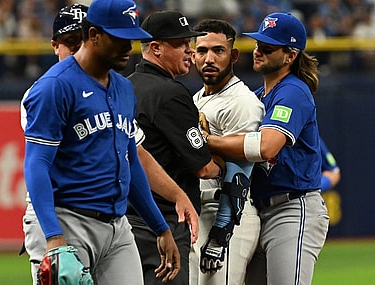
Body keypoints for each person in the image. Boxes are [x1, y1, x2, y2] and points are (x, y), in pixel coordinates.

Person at [20, 4, 199, 284]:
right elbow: (36, 164)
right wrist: (54, 237)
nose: (128, 46)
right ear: (94, 35)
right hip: (69, 220)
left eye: (130, 37)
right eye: (119, 38)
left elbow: (131, 161)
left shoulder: (123, 87)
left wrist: (160, 227)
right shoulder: (54, 87)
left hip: (117, 225)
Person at [201, 12, 330, 285]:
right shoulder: (258, 96)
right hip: (259, 209)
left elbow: (266, 146)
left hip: (292, 208)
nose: (258, 51)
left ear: (290, 55)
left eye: (268, 48)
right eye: (259, 44)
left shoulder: (293, 91)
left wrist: (208, 141)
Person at [126, 10, 222, 285]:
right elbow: (203, 167)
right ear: (155, 47)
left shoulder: (126, 87)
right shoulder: (170, 93)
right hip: (166, 219)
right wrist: (232, 164)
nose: (189, 51)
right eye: (180, 44)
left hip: (128, 219)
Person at [188, 19, 265, 285]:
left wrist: (222, 233)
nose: (209, 58)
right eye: (202, 50)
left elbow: (241, 171)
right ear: (192, 54)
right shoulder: (197, 98)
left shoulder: (242, 102)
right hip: (200, 209)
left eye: (218, 51)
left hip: (229, 212)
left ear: (233, 55)